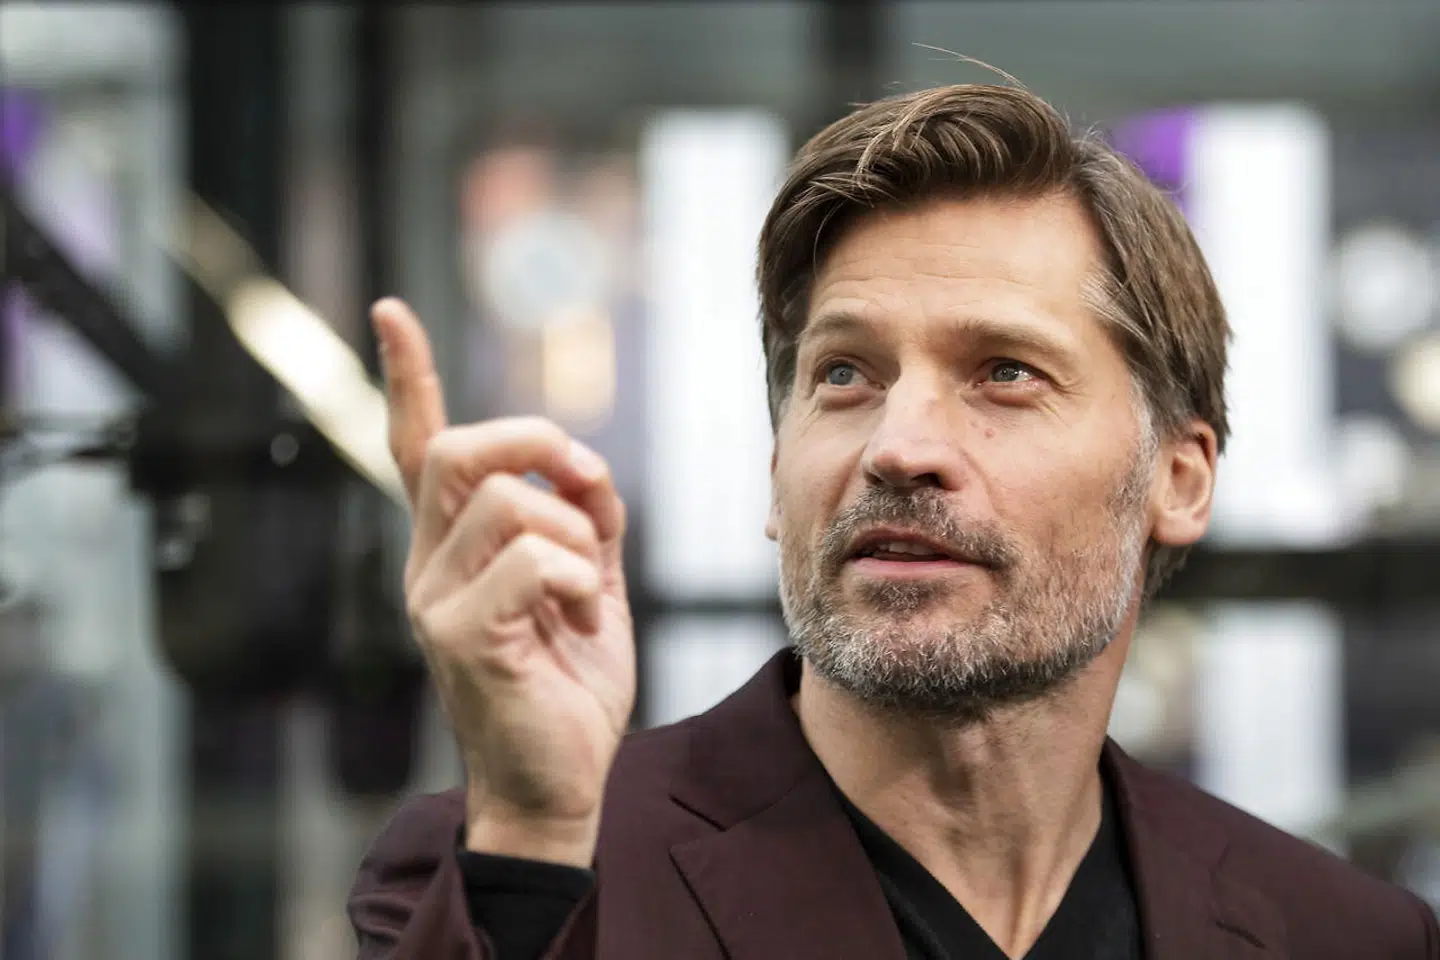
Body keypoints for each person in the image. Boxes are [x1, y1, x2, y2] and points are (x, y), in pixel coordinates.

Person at [347, 83, 1440, 960]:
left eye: (1004, 373)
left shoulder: (1342, 934)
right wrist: (535, 839)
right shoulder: (500, 876)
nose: (897, 445)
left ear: (1181, 478)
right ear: (779, 470)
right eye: (845, 376)